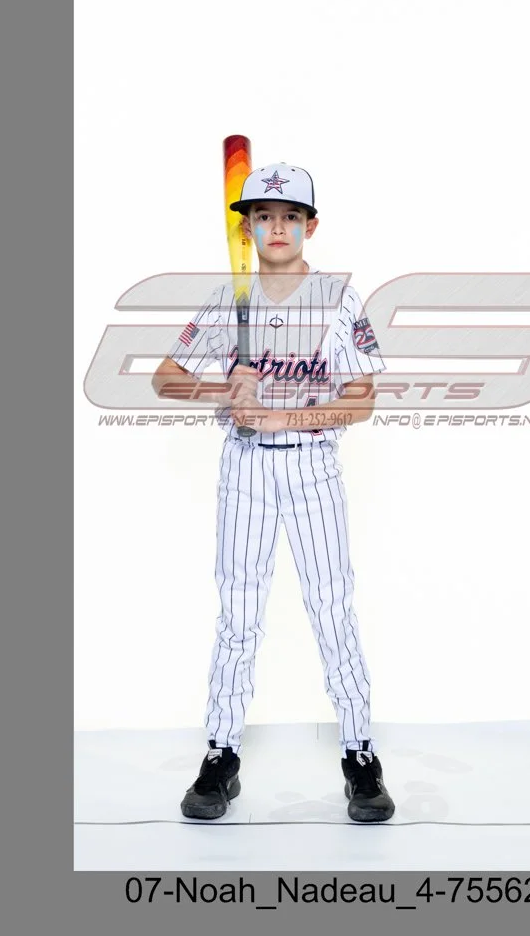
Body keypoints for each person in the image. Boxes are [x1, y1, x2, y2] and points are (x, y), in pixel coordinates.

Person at [152, 162, 395, 824]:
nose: (277, 227)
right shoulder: (228, 299)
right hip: (246, 470)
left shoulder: (339, 298)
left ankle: (360, 754)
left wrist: (284, 415)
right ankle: (221, 753)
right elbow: (164, 378)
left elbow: (363, 399)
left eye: (290, 216)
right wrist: (222, 388)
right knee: (238, 614)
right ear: (249, 228)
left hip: (314, 467)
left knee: (332, 608)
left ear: (310, 226)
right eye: (264, 216)